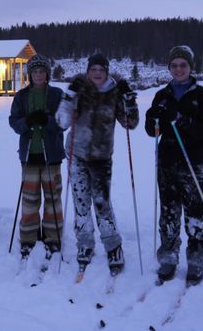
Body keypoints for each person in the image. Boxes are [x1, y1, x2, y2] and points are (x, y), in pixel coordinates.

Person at [56, 53, 139, 275]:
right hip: (77, 154)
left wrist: (129, 101)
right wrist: (69, 97)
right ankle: (85, 243)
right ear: (88, 70)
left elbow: (130, 123)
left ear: (107, 71)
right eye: (94, 69)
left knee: (102, 203)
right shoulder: (80, 90)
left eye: (101, 69)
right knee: (81, 203)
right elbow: (62, 122)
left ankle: (113, 246)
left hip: (102, 157)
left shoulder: (114, 93)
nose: (97, 73)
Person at [145, 45, 203, 286]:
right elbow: (151, 130)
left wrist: (181, 119)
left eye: (183, 65)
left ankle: (196, 256)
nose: (178, 69)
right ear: (169, 68)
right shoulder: (162, 95)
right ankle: (169, 255)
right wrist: (153, 118)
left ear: (190, 67)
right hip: (167, 160)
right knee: (169, 210)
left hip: (194, 160)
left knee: (195, 210)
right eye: (174, 65)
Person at [8, 54, 66, 260]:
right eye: (35, 71)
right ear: (29, 74)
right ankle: (29, 237)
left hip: (51, 155)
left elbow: (64, 121)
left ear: (47, 74)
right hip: (29, 154)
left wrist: (47, 120)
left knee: (52, 199)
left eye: (42, 71)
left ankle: (53, 237)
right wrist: (27, 122)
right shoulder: (21, 96)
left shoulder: (57, 94)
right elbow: (13, 121)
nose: (39, 75)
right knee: (30, 199)